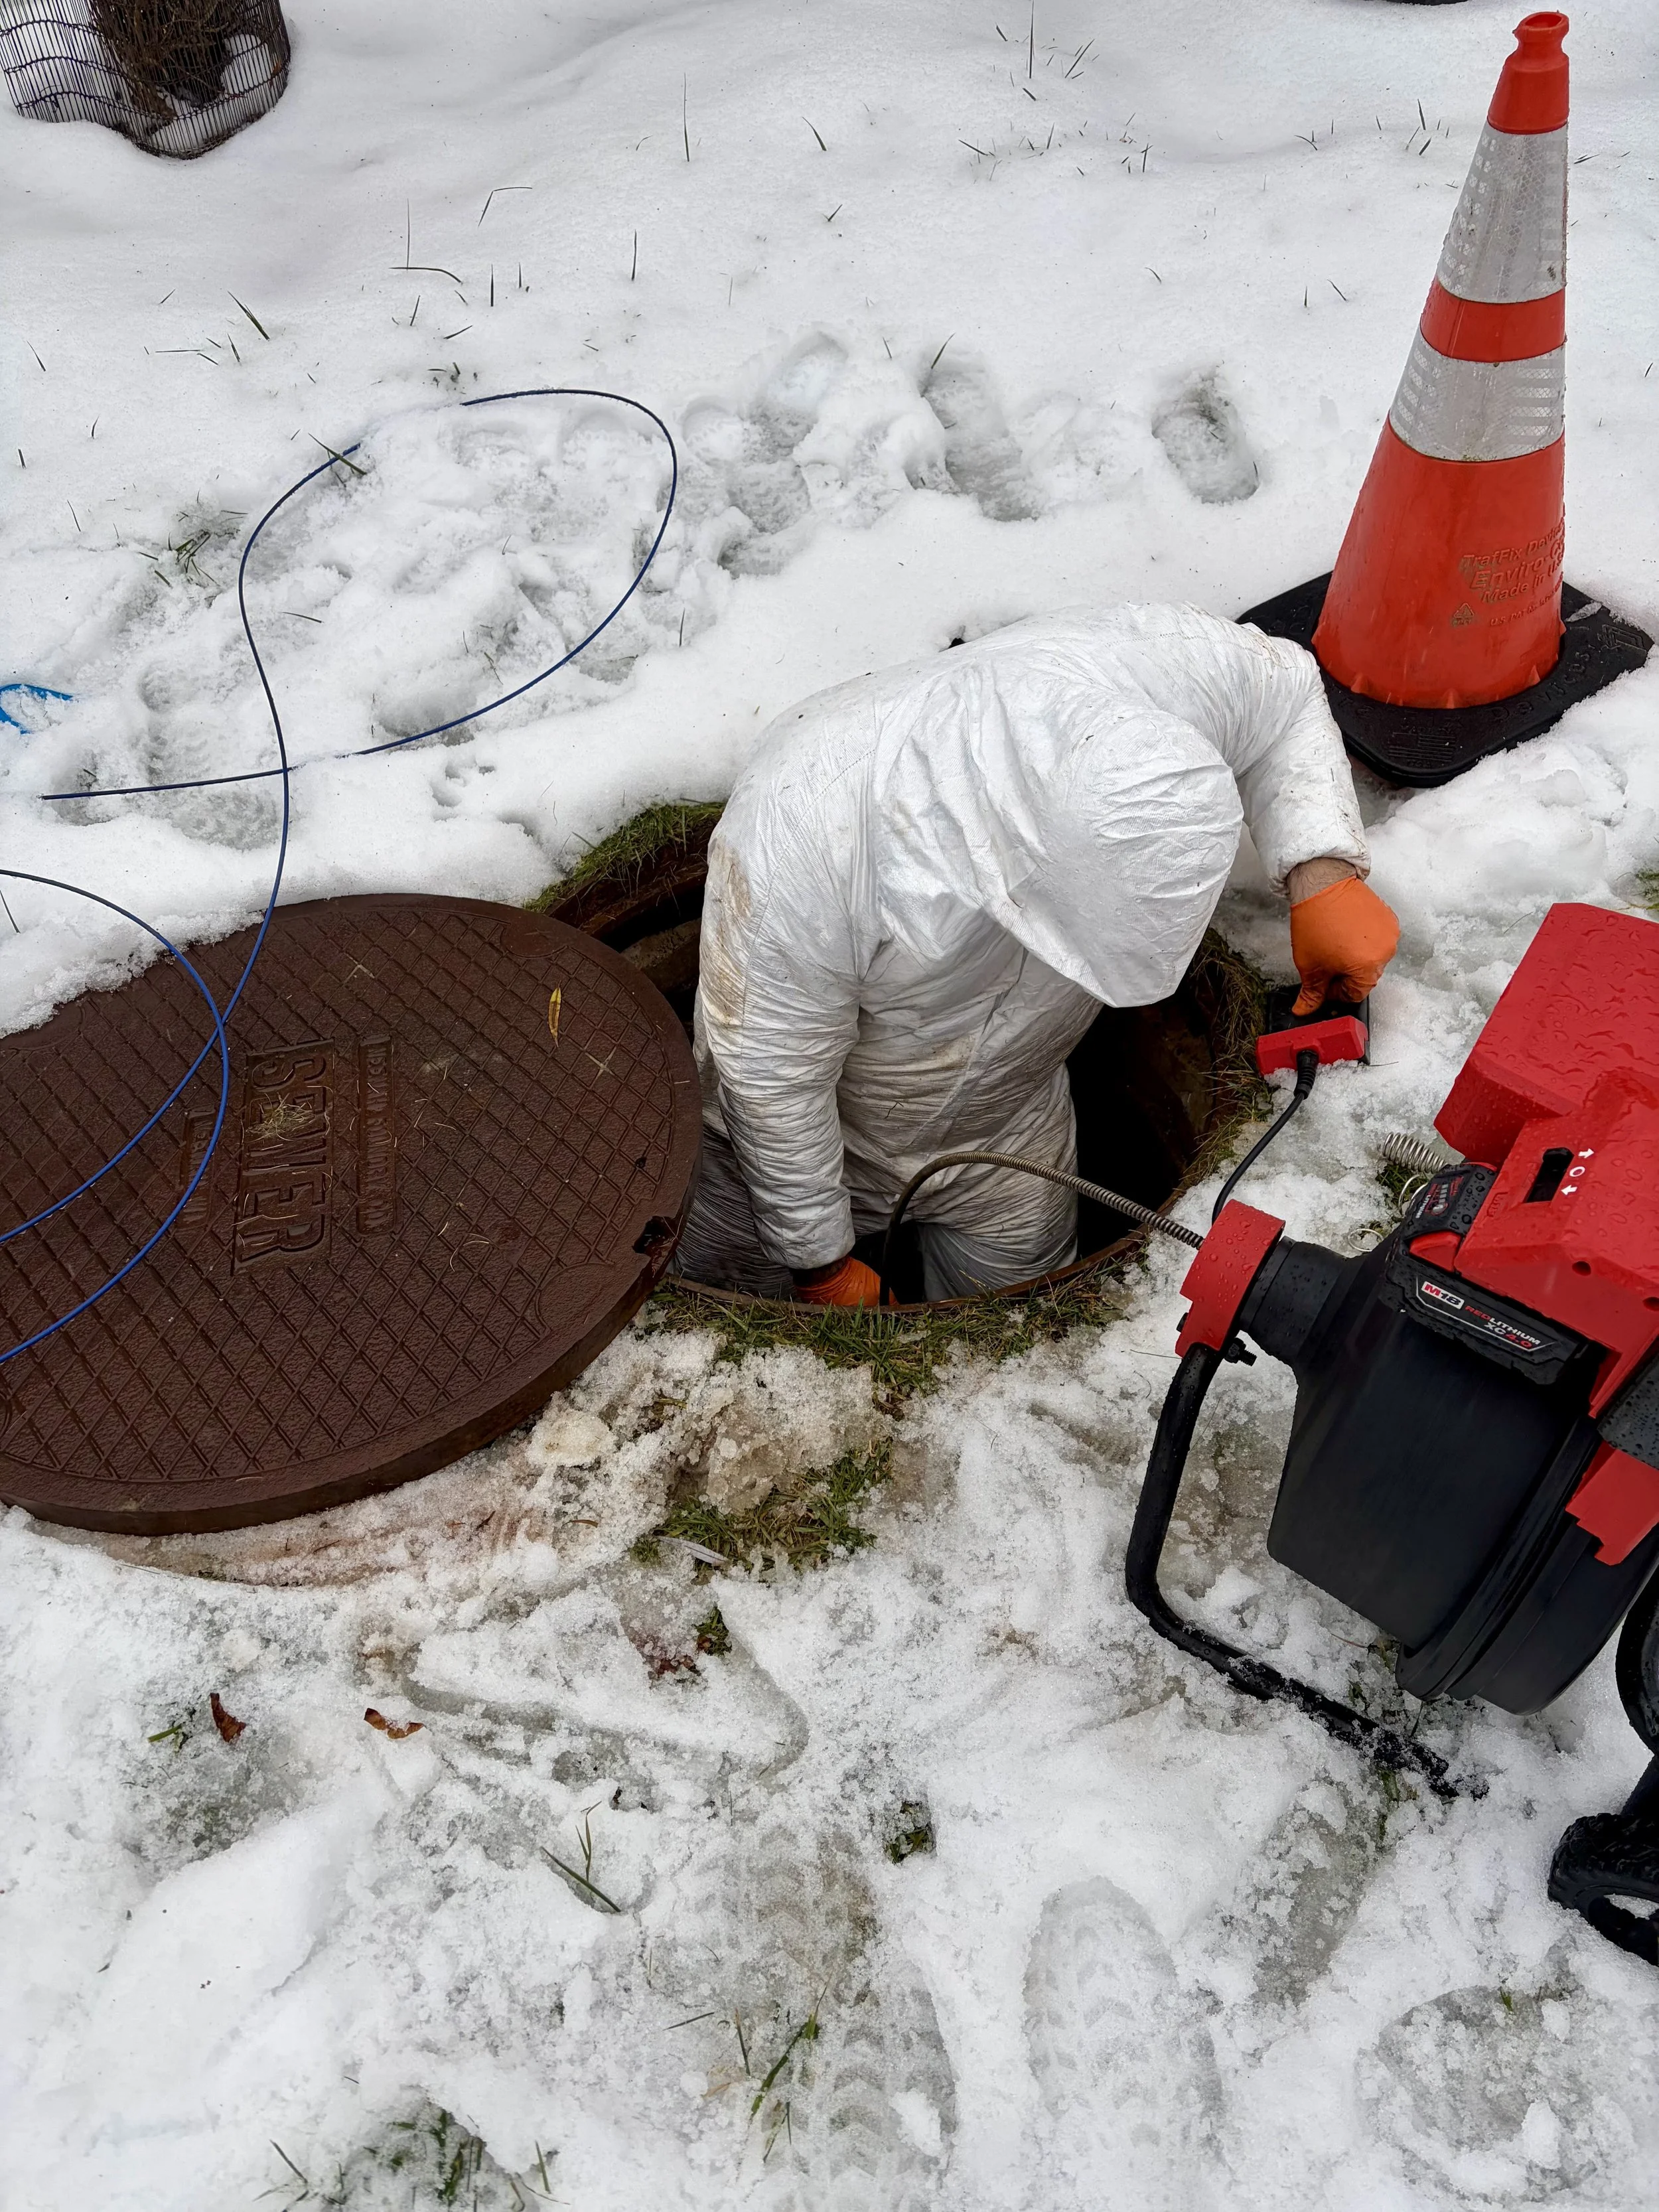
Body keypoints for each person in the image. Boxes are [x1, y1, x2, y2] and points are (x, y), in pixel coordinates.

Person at [676, 603, 1399, 1306]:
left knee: (1016, 1311)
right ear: (1027, 860)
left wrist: (1320, 868)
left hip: (1008, 1124)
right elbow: (772, 1079)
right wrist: (817, 1260)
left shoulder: (1154, 669)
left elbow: (1286, 692)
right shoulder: (807, 824)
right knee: (727, 1298)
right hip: (804, 1140)